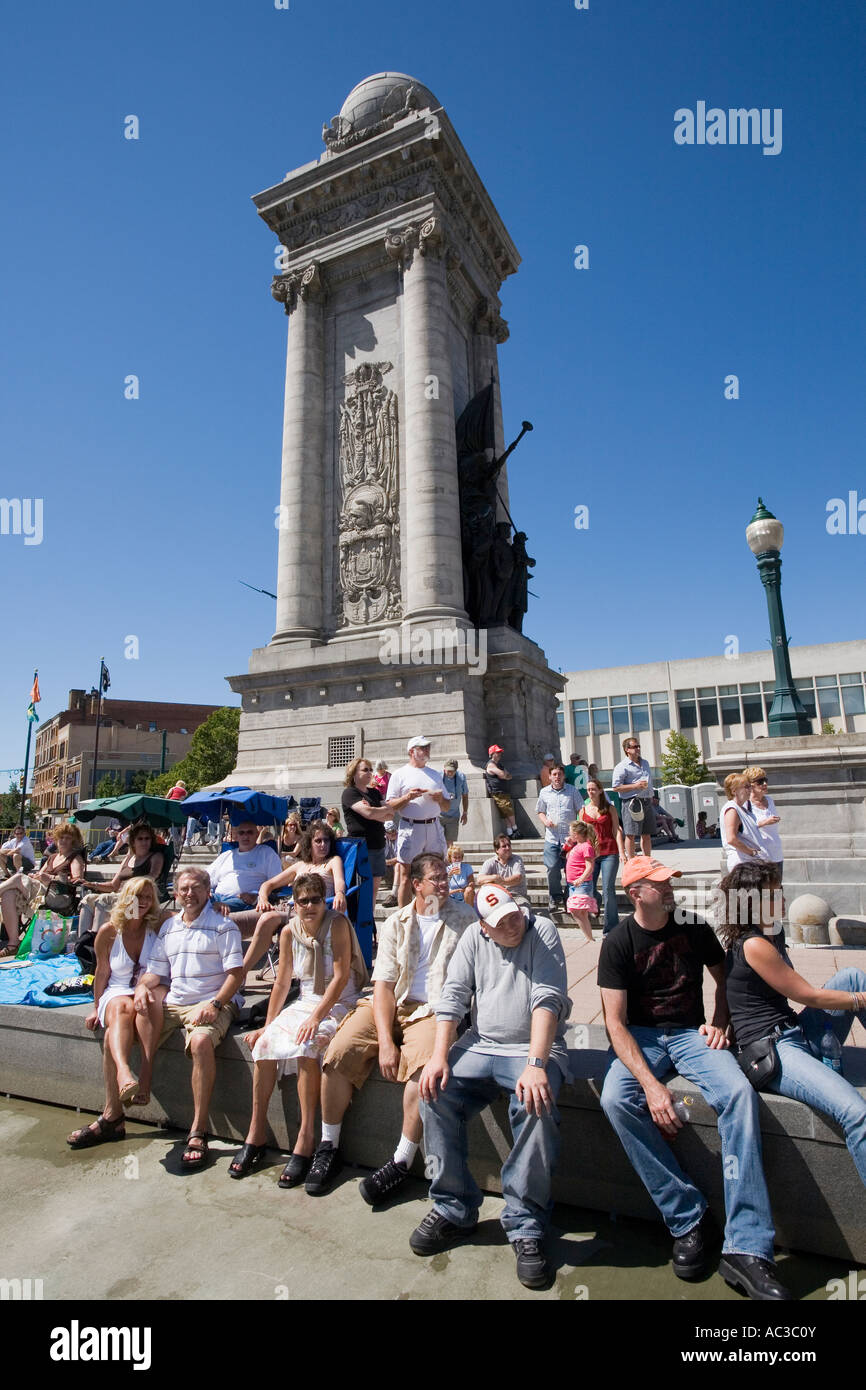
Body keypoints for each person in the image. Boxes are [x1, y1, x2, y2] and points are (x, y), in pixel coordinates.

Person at [598, 856, 791, 1301]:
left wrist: (721, 1022)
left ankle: (746, 1244)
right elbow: (614, 1023)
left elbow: (727, 982)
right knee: (614, 1099)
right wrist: (650, 1085)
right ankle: (689, 1216)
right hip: (642, 1038)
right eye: (660, 884)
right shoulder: (618, 942)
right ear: (636, 894)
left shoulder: (693, 924)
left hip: (689, 1033)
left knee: (739, 1093)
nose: (670, 889)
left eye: (670, 882)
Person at [412, 884, 570, 1290]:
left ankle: (526, 1222)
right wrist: (439, 1055)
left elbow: (548, 998)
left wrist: (536, 1064)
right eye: (501, 924)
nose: (513, 926)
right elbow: (453, 997)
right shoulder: (472, 939)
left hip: (532, 1047)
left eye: (515, 915)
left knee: (536, 1102)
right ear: (484, 927)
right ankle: (454, 1206)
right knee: (433, 1092)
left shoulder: (543, 931)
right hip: (482, 1044)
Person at [305, 853, 474, 1201]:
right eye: (437, 878)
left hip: (434, 1012)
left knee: (423, 1074)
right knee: (338, 1053)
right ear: (416, 885)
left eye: (446, 877)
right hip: (392, 1003)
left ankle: (400, 1161)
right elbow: (382, 985)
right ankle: (329, 1145)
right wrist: (385, 1041)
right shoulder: (397, 922)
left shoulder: (466, 918)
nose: (444, 883)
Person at [720, 860, 866, 1192]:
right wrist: (859, 1000)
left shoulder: (772, 933)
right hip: (774, 1050)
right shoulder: (753, 944)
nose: (783, 900)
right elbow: (808, 995)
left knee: (852, 976)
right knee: (857, 1114)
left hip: (793, 1031)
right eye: (774, 895)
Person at [229, 872, 369, 1185]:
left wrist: (316, 1017)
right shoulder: (290, 932)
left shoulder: (338, 925)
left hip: (337, 1002)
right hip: (306, 1001)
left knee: (310, 1045)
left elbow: (341, 975)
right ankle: (256, 1133)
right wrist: (267, 1026)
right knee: (264, 1047)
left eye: (315, 900)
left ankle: (306, 1137)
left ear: (324, 901)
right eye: (302, 900)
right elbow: (281, 982)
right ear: (294, 903)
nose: (309, 906)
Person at [133, 865, 244, 1170]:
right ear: (176, 893)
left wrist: (216, 1003)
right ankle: (115, 1110)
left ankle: (197, 1130)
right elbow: (155, 972)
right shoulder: (169, 928)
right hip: (176, 1001)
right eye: (184, 889)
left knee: (199, 1042)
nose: (190, 894)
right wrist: (142, 987)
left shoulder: (223, 925)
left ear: (209, 892)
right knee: (130, 1017)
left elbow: (236, 975)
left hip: (214, 999)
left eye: (196, 888)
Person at [66, 878, 172, 1148]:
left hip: (145, 988)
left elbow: (184, 915)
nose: (144, 902)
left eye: (148, 897)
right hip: (116, 989)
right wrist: (94, 1007)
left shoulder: (157, 925)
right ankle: (126, 1075)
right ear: (126, 898)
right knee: (120, 1007)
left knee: (138, 1007)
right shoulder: (109, 931)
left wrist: (218, 907)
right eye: (138, 896)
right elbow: (101, 972)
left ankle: (118, 1108)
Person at [238, 821, 348, 979]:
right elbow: (268, 884)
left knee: (267, 918)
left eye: (326, 840)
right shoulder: (300, 865)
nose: (323, 844)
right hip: (284, 908)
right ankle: (227, 975)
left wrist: (339, 894)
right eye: (318, 841)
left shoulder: (332, 861)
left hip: (308, 912)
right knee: (230, 922)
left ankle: (239, 976)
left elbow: (339, 881)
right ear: (309, 843)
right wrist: (262, 898)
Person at [341, 757, 424, 905]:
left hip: (378, 845)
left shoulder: (374, 793)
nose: (369, 772)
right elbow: (370, 813)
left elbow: (390, 815)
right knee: (360, 890)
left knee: (374, 890)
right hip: (360, 846)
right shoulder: (350, 793)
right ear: (354, 773)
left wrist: (375, 811)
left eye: (370, 769)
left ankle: (370, 924)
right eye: (365, 769)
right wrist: (378, 811)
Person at [0, 821, 85, 957]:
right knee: (8, 894)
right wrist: (37, 876)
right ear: (56, 839)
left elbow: (78, 880)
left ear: (73, 841)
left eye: (68, 838)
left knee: (18, 878)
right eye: (61, 837)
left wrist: (51, 878)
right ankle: (13, 944)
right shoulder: (52, 857)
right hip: (42, 892)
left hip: (59, 896)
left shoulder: (75, 858)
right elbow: (41, 875)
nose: (63, 840)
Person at [387, 737, 451, 908]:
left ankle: (434, 911)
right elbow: (391, 805)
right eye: (422, 748)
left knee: (436, 871)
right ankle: (405, 918)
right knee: (406, 875)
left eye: (428, 747)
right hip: (411, 826)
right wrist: (408, 797)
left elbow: (446, 806)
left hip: (433, 825)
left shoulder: (435, 774)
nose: (427, 750)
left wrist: (439, 798)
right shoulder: (399, 774)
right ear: (411, 751)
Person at [77, 823, 167, 937]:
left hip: (137, 898)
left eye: (147, 838)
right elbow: (113, 885)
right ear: (133, 841)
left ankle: (96, 941)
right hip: (119, 896)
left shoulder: (155, 856)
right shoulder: (128, 858)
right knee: (87, 899)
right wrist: (92, 884)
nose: (144, 842)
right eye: (140, 839)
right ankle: (82, 943)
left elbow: (153, 876)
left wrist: (133, 885)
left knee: (104, 899)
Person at [535, 763, 583, 911]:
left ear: (564, 776)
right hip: (552, 838)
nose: (557, 777)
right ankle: (555, 897)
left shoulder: (572, 791)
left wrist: (577, 829)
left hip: (570, 838)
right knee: (551, 868)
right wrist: (545, 821)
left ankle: (569, 897)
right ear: (549, 776)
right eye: (554, 774)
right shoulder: (544, 792)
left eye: (559, 774)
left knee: (571, 869)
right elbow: (540, 811)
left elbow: (581, 809)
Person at [208, 821, 282, 912]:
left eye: (250, 832)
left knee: (210, 907)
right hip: (217, 897)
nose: (245, 836)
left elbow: (277, 883)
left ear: (257, 834)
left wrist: (256, 896)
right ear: (236, 836)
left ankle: (212, 907)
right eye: (241, 833)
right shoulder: (226, 855)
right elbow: (205, 877)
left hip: (242, 901)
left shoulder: (267, 853)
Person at [580, 779, 624, 935]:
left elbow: (617, 830)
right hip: (591, 854)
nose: (590, 792)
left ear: (600, 791)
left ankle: (610, 928)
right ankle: (596, 901)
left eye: (593, 789)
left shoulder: (609, 808)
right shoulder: (583, 810)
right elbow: (581, 835)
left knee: (608, 889)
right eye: (588, 789)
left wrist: (622, 851)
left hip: (609, 852)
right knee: (588, 888)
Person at [611, 737, 656, 859]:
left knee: (646, 834)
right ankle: (631, 862)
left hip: (647, 800)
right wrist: (635, 786)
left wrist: (652, 796)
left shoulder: (645, 763)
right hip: (632, 802)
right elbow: (615, 787)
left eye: (638, 746)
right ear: (627, 750)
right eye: (635, 747)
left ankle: (647, 860)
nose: (638, 749)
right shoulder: (622, 766)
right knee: (631, 834)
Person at [720, 774, 767, 872]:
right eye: (746, 787)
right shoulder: (732, 809)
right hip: (743, 863)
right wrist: (751, 852)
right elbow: (731, 839)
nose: (750, 789)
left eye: (750, 786)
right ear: (734, 791)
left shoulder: (742, 809)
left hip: (751, 862)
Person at [743, 766, 783, 878]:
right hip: (760, 856)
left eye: (766, 780)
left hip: (776, 852)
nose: (765, 784)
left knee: (777, 889)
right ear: (751, 785)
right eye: (760, 781)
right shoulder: (746, 805)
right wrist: (765, 822)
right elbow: (744, 829)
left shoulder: (770, 800)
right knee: (762, 891)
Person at [565, 821, 597, 943]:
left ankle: (589, 938)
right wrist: (567, 845)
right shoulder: (577, 846)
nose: (569, 833)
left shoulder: (586, 847)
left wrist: (581, 879)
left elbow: (590, 866)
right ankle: (590, 938)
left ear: (576, 834)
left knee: (576, 911)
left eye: (570, 832)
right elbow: (564, 856)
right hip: (574, 884)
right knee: (581, 913)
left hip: (581, 884)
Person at [476, 834, 528, 904]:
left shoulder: (517, 860)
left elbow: (517, 878)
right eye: (504, 846)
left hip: (517, 897)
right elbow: (479, 880)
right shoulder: (489, 862)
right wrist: (494, 877)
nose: (508, 848)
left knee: (523, 912)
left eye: (509, 845)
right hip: (498, 897)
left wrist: (502, 881)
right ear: (497, 850)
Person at [484, 745, 517, 838]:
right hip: (497, 792)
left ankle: (510, 833)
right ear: (492, 754)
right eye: (497, 752)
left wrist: (504, 775)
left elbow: (509, 776)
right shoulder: (491, 764)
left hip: (502, 791)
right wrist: (503, 775)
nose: (499, 754)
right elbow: (503, 775)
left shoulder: (500, 765)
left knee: (505, 813)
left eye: (500, 752)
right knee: (508, 811)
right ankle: (515, 829)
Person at [440, 758, 469, 846]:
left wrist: (465, 812)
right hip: (438, 815)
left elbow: (465, 796)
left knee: (450, 842)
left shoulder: (461, 777)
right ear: (444, 768)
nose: (450, 773)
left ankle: (448, 859)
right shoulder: (438, 776)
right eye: (448, 770)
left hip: (453, 815)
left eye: (452, 771)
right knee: (438, 842)